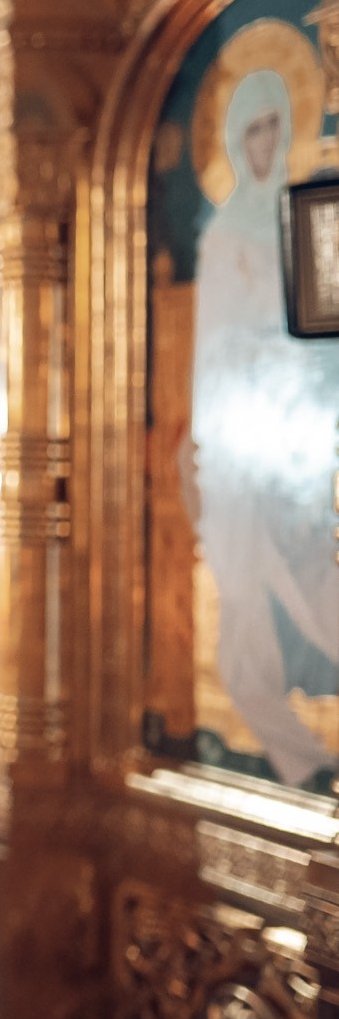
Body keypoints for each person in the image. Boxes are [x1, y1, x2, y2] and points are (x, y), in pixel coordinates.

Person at [188, 64, 339, 783]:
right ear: (232, 138)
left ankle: (307, 768)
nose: (264, 141)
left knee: (309, 585)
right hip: (241, 446)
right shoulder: (223, 236)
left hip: (299, 440)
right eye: (252, 129)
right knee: (245, 620)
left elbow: (324, 330)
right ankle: (305, 769)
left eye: (274, 125)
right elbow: (212, 347)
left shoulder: (312, 219)